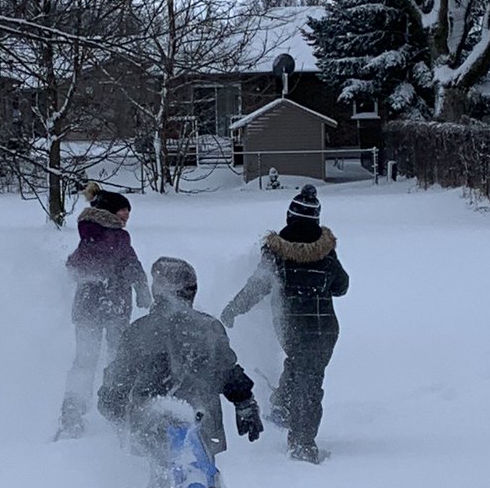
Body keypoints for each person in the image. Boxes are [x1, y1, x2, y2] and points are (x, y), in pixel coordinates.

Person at [220, 184, 349, 464]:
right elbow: (342, 287)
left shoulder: (276, 253)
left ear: (289, 217)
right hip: (324, 331)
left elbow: (257, 287)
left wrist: (232, 310)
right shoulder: (326, 252)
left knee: (301, 372)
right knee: (308, 379)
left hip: (290, 330)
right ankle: (294, 427)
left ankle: (296, 432)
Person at [98, 256, 263, 457]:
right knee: (198, 472)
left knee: (156, 471)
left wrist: (113, 406)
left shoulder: (139, 331)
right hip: (201, 429)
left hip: (149, 429)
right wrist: (245, 403)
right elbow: (227, 372)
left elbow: (118, 381)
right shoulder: (208, 328)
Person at [57, 189, 151, 439]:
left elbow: (73, 266)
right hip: (114, 307)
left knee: (84, 360)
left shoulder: (88, 233)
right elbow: (131, 265)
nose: (125, 221)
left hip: (87, 307)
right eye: (123, 215)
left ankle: (72, 412)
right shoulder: (117, 237)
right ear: (110, 213)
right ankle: (114, 410)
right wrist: (142, 290)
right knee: (117, 359)